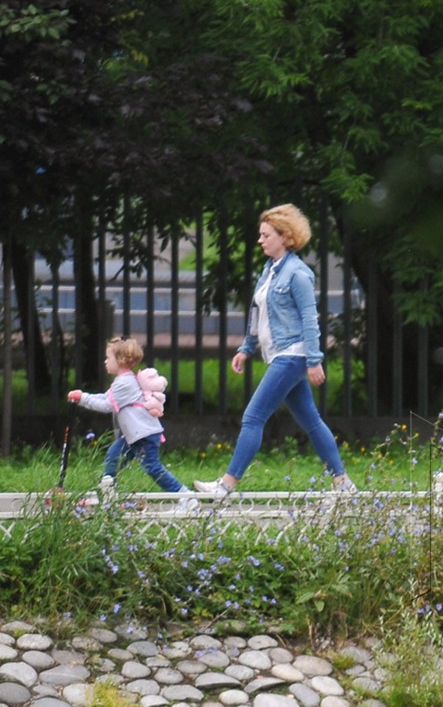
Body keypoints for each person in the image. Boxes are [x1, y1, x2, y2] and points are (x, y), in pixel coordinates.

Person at [194, 204, 355, 496]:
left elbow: (310, 318)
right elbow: (257, 313)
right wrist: (246, 348)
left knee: (253, 417)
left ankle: (226, 485)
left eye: (266, 235)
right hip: (281, 356)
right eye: (261, 234)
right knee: (312, 421)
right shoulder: (269, 270)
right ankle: (343, 483)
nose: (260, 240)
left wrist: (315, 360)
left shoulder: (298, 274)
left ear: (285, 237)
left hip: (292, 355)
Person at [67, 337, 191, 505]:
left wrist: (82, 398)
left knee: (152, 467)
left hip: (145, 434)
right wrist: (83, 397)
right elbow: (106, 397)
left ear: (120, 360)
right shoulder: (122, 381)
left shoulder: (125, 383)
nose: (105, 362)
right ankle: (105, 493)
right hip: (134, 435)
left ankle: (186, 497)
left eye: (108, 358)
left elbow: (106, 405)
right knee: (113, 456)